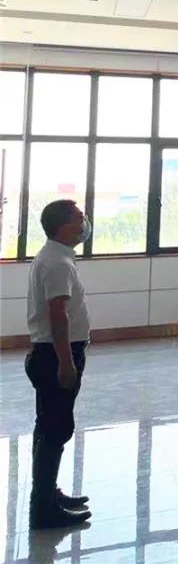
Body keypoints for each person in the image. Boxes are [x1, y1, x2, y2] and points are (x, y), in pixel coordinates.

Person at [25, 200, 94, 528]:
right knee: (55, 430)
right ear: (65, 226)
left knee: (48, 427)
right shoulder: (58, 262)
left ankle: (47, 494)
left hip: (49, 352)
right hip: (55, 355)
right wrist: (66, 363)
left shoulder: (56, 255)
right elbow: (58, 316)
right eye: (80, 217)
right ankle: (43, 510)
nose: (85, 223)